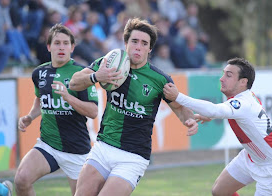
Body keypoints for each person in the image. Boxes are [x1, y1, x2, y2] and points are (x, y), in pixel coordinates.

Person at [69, 17, 199, 196]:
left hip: (133, 156)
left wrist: (190, 120)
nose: (138, 46)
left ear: (150, 49)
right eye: (134, 41)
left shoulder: (160, 79)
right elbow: (74, 83)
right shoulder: (108, 64)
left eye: (144, 43)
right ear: (126, 43)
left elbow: (180, 108)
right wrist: (97, 76)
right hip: (103, 147)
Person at [163, 57, 272, 196]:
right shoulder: (246, 98)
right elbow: (231, 113)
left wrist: (178, 96)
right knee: (219, 191)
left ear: (243, 82)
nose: (221, 78)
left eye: (228, 75)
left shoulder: (243, 103)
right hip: (251, 156)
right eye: (224, 73)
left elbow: (215, 109)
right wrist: (212, 116)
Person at [14, 24, 99, 196]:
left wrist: (68, 97)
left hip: (77, 150)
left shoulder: (81, 73)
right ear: (49, 46)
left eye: (66, 43)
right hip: (48, 144)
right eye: (57, 43)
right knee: (21, 180)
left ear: (72, 47)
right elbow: (40, 99)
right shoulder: (39, 73)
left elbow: (93, 111)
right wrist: (31, 116)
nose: (61, 47)